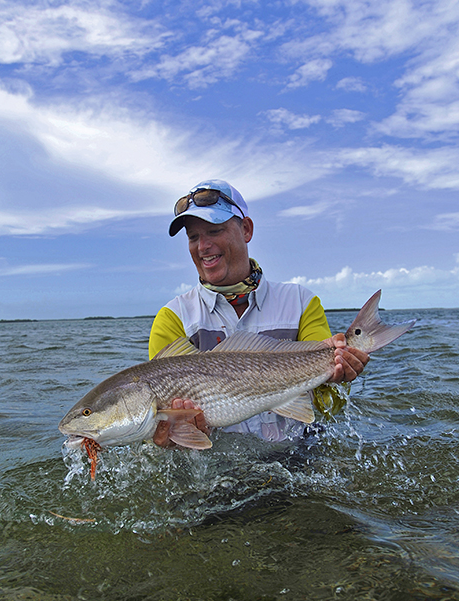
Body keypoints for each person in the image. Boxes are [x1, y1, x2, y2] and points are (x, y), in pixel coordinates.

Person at [148, 180, 369, 447]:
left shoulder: (301, 302)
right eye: (193, 237)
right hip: (220, 475)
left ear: (246, 229)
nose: (203, 246)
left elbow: (328, 406)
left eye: (214, 230)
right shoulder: (173, 318)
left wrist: (338, 376)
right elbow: (164, 442)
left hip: (299, 458)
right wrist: (171, 438)